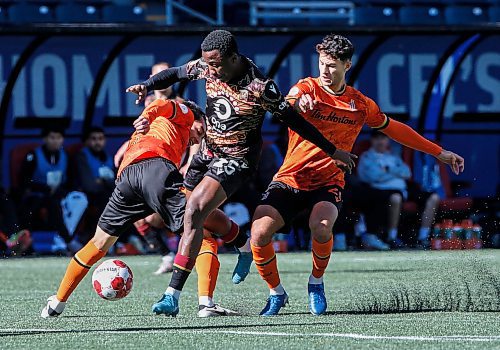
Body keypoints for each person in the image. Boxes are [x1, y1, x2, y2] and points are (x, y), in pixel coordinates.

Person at [126, 30, 355, 317]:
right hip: (208, 152)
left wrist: (333, 151)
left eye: (217, 65)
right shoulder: (207, 66)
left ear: (234, 58)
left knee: (195, 209)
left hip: (237, 159)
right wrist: (146, 85)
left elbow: (295, 121)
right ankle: (241, 244)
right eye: (208, 64)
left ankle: (172, 295)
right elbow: (176, 73)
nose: (212, 70)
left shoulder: (261, 87)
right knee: (189, 214)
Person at [250, 33, 465, 316]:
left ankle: (316, 282)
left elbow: (396, 129)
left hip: (328, 180)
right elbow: (290, 102)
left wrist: (439, 152)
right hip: (291, 177)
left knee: (322, 226)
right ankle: (276, 292)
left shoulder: (359, 104)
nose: (325, 71)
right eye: (322, 64)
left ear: (347, 65)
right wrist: (296, 106)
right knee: (258, 233)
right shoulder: (306, 88)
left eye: (332, 66)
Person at [41, 99, 206, 318]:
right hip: (154, 168)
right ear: (197, 118)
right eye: (202, 128)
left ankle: (57, 302)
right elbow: (165, 104)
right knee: (195, 229)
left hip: (127, 178)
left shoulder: (161, 132)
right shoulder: (184, 114)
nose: (200, 135)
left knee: (98, 243)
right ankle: (200, 300)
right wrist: (147, 116)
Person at [20, 127, 77, 249]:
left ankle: (67, 240)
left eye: (58, 138)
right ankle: (27, 242)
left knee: (75, 201)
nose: (55, 141)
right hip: (37, 195)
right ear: (45, 139)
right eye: (52, 137)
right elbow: (24, 180)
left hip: (59, 195)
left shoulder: (66, 156)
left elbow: (72, 180)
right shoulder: (33, 155)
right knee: (34, 206)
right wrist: (44, 189)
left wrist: (62, 191)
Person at [75, 127, 115, 244]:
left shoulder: (109, 157)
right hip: (87, 196)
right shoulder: (81, 156)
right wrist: (106, 182)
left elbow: (118, 183)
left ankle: (125, 240)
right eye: (93, 139)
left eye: (101, 139)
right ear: (87, 141)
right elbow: (89, 185)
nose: (97, 142)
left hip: (106, 194)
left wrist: (101, 181)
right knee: (105, 199)